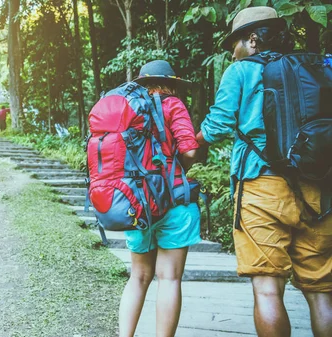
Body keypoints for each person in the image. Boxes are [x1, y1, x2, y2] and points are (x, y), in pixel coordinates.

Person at [196, 6, 332, 337]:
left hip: (261, 189)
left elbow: (218, 126)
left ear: (253, 40)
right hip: (319, 192)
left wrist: (192, 144)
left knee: (268, 289)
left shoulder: (241, 71)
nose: (233, 53)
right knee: (321, 292)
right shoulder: (317, 67)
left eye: (235, 45)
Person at [119, 60, 201, 337]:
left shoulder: (126, 108)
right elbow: (189, 151)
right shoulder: (173, 104)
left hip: (137, 203)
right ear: (171, 83)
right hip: (174, 199)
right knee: (169, 278)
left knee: (138, 277)